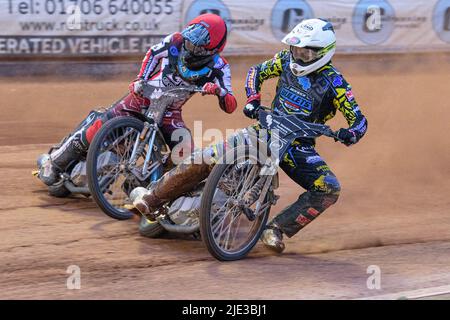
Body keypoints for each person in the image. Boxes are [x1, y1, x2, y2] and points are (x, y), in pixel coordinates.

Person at [133, 19, 368, 254]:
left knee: (328, 188)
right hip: (264, 130)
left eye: (306, 52)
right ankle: (153, 198)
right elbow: (256, 72)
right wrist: (253, 100)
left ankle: (276, 228)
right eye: (296, 49)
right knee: (207, 157)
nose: (298, 56)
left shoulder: (335, 83)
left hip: (298, 147)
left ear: (323, 53)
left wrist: (350, 133)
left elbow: (359, 120)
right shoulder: (284, 60)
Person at [37, 13, 237, 189]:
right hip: (142, 97)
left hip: (170, 112)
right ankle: (54, 162)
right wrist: (140, 79)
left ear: (213, 49)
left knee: (186, 153)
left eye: (197, 46)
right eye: (190, 41)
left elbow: (231, 104)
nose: (190, 47)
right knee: (101, 123)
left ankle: (153, 191)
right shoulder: (176, 40)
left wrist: (219, 91)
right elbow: (153, 54)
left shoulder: (220, 67)